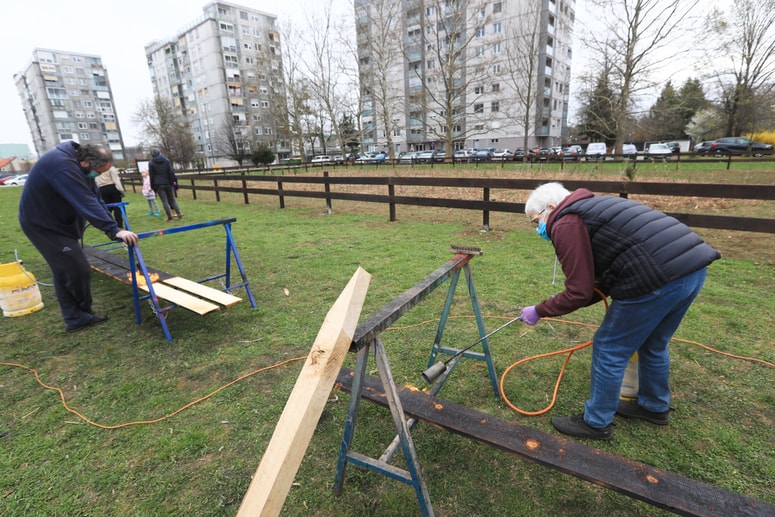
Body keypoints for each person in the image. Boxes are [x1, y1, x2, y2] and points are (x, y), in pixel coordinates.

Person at [520, 182, 720, 441]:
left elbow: (579, 292)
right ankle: (654, 406)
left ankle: (596, 422)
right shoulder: (592, 206)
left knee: (609, 347)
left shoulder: (565, 222)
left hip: (655, 278)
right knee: (654, 342)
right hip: (692, 269)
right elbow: (597, 283)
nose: (538, 228)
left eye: (536, 221)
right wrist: (556, 305)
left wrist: (540, 310)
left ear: (550, 207)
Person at [18, 141, 139, 332]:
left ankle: (75, 318)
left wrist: (114, 229)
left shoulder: (79, 166)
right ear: (86, 162)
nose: (97, 176)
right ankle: (81, 313)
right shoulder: (61, 166)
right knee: (77, 269)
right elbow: (84, 200)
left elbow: (95, 198)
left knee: (63, 270)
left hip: (59, 222)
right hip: (43, 225)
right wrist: (113, 229)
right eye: (98, 172)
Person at [148, 148, 183, 222]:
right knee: (172, 200)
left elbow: (152, 175)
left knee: (164, 201)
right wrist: (172, 182)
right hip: (168, 182)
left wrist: (152, 187)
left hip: (159, 184)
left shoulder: (151, 163)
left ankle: (170, 218)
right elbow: (171, 171)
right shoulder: (166, 160)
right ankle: (179, 214)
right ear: (159, 153)